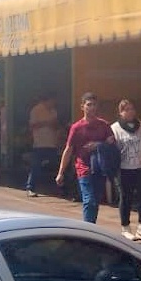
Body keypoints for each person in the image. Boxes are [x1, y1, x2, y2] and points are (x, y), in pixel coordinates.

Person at [57, 92, 115, 224]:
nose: (92, 108)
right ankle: (88, 229)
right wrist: (61, 172)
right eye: (89, 105)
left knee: (95, 201)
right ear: (82, 107)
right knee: (89, 200)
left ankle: (91, 226)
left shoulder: (104, 125)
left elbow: (112, 144)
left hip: (100, 168)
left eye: (94, 105)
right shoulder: (76, 128)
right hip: (83, 168)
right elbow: (69, 149)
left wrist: (100, 144)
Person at [112, 99, 141, 241]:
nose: (131, 112)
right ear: (121, 112)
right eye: (127, 109)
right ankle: (125, 227)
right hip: (124, 168)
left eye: (132, 108)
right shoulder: (115, 128)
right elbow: (112, 150)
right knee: (126, 197)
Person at [26, 95, 61, 197]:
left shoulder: (54, 111)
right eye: (52, 101)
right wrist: (46, 123)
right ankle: (30, 188)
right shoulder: (36, 110)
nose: (53, 104)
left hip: (52, 143)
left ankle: (57, 188)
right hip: (39, 143)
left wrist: (54, 125)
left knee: (56, 166)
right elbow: (32, 126)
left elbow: (56, 125)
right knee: (36, 166)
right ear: (47, 100)